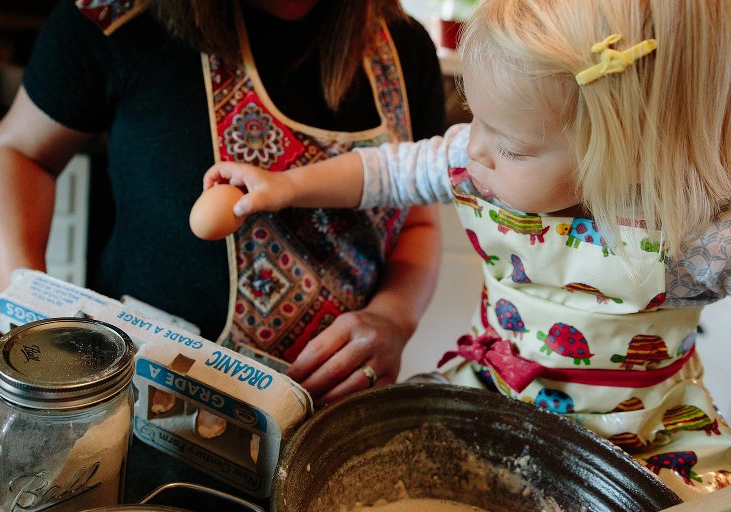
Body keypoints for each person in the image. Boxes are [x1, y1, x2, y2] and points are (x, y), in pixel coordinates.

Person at [211, 0, 731, 500]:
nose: (473, 146)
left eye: (509, 145)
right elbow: (385, 171)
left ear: (629, 146)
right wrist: (286, 187)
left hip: (640, 440)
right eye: (474, 116)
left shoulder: (698, 236)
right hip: (492, 396)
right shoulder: (477, 158)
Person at [0, 0, 446, 407]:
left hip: (327, 422)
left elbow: (417, 220)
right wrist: (22, 299)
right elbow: (21, 152)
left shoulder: (404, 47)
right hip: (138, 408)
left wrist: (393, 316)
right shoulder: (117, 16)